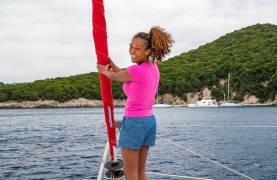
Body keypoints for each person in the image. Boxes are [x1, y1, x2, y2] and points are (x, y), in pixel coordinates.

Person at [97, 26, 173, 180]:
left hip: (134, 123)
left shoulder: (135, 71)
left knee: (131, 174)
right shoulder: (153, 68)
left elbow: (116, 76)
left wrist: (103, 70)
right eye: (131, 47)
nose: (132, 50)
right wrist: (110, 62)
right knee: (140, 172)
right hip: (149, 122)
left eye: (137, 48)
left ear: (148, 52)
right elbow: (123, 73)